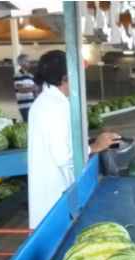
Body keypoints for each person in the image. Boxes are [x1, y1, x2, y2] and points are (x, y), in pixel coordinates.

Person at [28, 50, 120, 228]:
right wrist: (94, 147)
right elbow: (63, 157)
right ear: (65, 78)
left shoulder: (43, 102)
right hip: (56, 198)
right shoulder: (58, 106)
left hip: (46, 198)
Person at [14, 54, 37, 122]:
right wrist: (32, 88)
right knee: (27, 124)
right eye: (27, 61)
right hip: (24, 106)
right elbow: (21, 89)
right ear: (21, 63)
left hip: (32, 104)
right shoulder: (18, 75)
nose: (29, 63)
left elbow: (35, 89)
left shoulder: (31, 76)